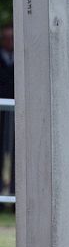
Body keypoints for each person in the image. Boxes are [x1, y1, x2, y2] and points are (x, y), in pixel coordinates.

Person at [0, 25, 14, 195]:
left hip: (17, 112)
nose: (10, 41)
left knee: (19, 152)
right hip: (2, 111)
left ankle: (14, 193)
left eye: (13, 38)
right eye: (7, 37)